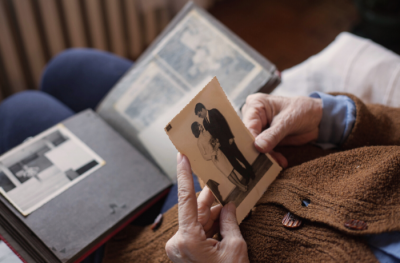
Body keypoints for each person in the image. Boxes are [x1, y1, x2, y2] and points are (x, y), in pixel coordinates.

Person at [194, 103, 255, 183]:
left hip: (228, 140)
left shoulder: (214, 112)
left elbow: (224, 123)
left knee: (240, 157)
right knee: (233, 163)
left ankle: (251, 172)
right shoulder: (204, 123)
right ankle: (246, 175)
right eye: (199, 116)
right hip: (221, 146)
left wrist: (230, 137)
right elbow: (211, 135)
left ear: (202, 109)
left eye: (199, 114)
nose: (200, 116)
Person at [191, 121, 247, 192]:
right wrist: (213, 153)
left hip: (220, 154)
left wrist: (217, 142)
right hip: (216, 159)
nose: (201, 125)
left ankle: (241, 184)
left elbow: (214, 139)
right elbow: (205, 156)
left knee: (231, 170)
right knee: (228, 174)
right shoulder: (199, 142)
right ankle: (240, 186)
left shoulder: (207, 132)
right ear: (196, 129)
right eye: (199, 125)